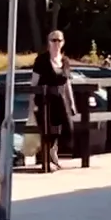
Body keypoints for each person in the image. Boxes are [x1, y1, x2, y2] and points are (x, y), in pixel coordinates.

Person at [30, 30, 74, 171]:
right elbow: (34, 82)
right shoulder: (41, 60)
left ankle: (54, 150)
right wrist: (32, 104)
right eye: (53, 40)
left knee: (68, 129)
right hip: (45, 100)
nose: (56, 43)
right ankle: (46, 161)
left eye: (59, 40)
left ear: (63, 42)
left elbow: (68, 84)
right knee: (47, 130)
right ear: (48, 42)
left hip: (61, 100)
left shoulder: (65, 61)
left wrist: (72, 103)